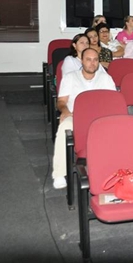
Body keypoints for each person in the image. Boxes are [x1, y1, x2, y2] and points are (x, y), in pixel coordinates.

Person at [51, 48, 116, 189]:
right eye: (88, 59)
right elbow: (61, 102)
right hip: (75, 116)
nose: (92, 63)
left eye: (95, 60)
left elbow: (113, 102)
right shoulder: (70, 77)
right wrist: (65, 111)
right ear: (81, 60)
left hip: (100, 119)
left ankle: (113, 171)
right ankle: (59, 174)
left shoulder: (106, 78)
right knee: (64, 128)